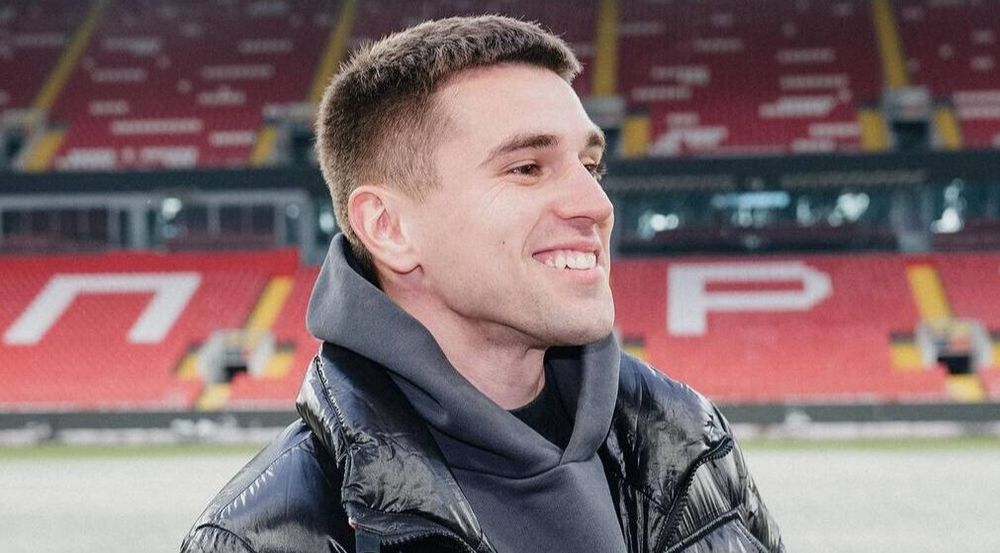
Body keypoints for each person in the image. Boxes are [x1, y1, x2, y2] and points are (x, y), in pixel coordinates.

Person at [181, 15, 784, 553]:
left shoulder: (690, 437)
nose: (597, 205)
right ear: (388, 228)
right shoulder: (261, 540)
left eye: (591, 166)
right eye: (526, 168)